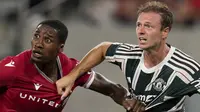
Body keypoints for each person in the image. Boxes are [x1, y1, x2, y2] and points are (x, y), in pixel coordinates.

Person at [56, 1, 200, 112]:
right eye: (138, 25)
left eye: (148, 26)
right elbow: (102, 49)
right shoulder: (130, 54)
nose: (141, 31)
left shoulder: (185, 67)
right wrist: (71, 77)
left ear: (165, 32)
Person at [0, 20, 145, 112]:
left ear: (60, 47)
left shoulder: (71, 70)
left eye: (47, 40)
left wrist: (128, 100)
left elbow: (113, 90)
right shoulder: (12, 67)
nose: (38, 44)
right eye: (36, 36)